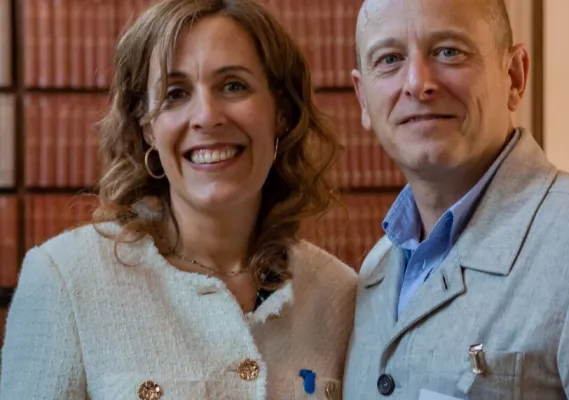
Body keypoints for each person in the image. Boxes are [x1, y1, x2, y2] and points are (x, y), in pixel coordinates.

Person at [0, 0, 356, 398]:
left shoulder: (339, 294)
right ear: (147, 127)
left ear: (281, 112)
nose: (206, 116)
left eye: (233, 85)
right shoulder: (64, 278)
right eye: (175, 93)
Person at [344, 0, 569, 398]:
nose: (417, 82)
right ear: (363, 99)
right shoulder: (375, 273)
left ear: (514, 76)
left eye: (449, 52)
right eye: (390, 59)